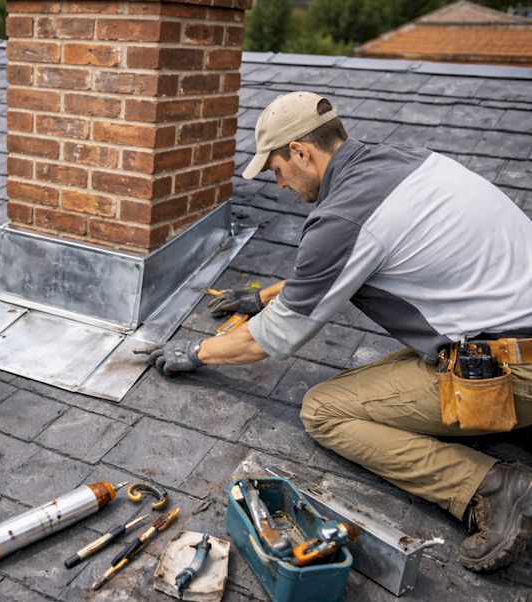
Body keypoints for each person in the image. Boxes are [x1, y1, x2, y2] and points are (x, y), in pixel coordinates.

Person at [137, 91, 532, 572]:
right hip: (507, 339)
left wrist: (198, 351)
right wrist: (263, 296)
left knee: (324, 410)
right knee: (388, 373)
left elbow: (274, 338)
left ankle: (492, 487)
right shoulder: (403, 162)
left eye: (276, 170)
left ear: (301, 151)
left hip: (510, 372)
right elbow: (344, 263)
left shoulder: (344, 215)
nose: (279, 185)